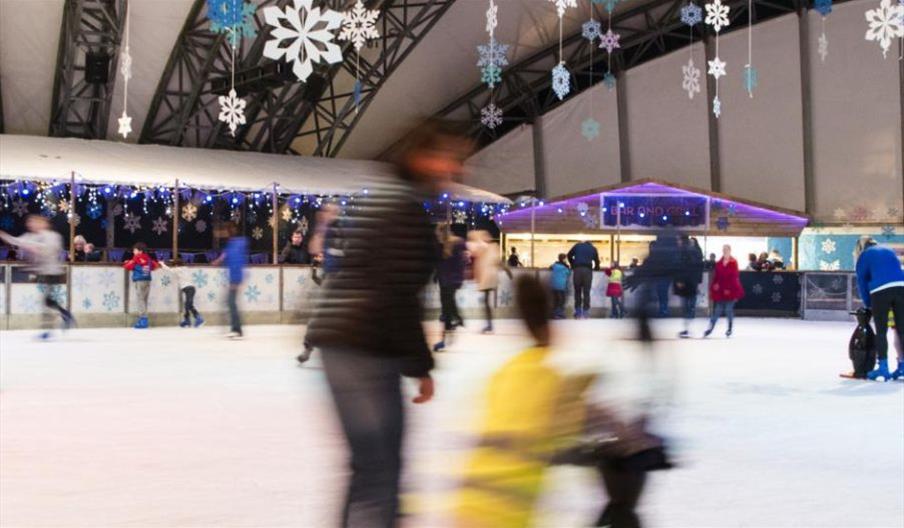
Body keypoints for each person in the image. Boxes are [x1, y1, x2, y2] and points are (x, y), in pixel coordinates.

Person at [305, 120, 462, 527]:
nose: (455, 170)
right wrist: (421, 367)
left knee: (371, 468)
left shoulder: (386, 196)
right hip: (363, 345)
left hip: (349, 342)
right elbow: (397, 296)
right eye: (446, 158)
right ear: (421, 157)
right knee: (380, 473)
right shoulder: (403, 209)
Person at [455, 275, 586, 527]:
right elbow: (578, 433)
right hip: (509, 514)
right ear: (550, 324)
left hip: (468, 505)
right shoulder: (553, 381)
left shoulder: (503, 373)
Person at [0, 215, 75, 338]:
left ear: (43, 223)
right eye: (30, 223)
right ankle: (63, 317)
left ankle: (58, 322)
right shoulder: (31, 237)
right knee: (47, 301)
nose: (31, 225)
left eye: (34, 223)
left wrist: (37, 248)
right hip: (43, 272)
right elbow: (16, 240)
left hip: (53, 272)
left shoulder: (53, 236)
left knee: (47, 301)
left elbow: (53, 250)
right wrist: (3, 234)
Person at [854, 237, 904, 381]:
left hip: (881, 290)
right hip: (901, 286)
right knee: (901, 329)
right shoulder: (888, 250)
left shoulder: (864, 256)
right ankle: (902, 366)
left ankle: (883, 368)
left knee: (881, 331)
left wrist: (868, 303)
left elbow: (862, 282)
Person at [433, 223, 466, 352]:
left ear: (441, 232)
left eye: (438, 232)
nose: (437, 235)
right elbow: (440, 263)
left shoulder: (456, 243)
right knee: (446, 308)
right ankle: (455, 322)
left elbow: (461, 261)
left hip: (449, 280)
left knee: (447, 307)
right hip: (446, 280)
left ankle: (456, 321)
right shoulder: (445, 245)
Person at [213, 223, 248, 339]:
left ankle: (237, 329)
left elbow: (237, 262)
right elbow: (224, 257)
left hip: (235, 278)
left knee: (231, 303)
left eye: (224, 231)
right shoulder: (231, 245)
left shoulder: (237, 244)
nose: (222, 234)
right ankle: (236, 328)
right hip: (234, 278)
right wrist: (218, 261)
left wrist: (235, 280)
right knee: (230, 302)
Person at [468, 230, 505, 334]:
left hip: (487, 278)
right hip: (489, 278)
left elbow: (475, 251)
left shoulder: (486, 248)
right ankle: (489, 324)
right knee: (486, 302)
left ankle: (489, 325)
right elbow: (498, 262)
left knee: (486, 302)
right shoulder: (492, 247)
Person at [704, 244, 744, 338]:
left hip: (731, 291)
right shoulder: (718, 263)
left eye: (726, 250)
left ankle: (729, 328)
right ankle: (710, 328)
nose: (725, 251)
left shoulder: (734, 262)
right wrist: (714, 285)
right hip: (721, 291)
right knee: (717, 311)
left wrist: (729, 288)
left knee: (728, 310)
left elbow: (734, 277)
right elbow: (716, 277)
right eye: (724, 250)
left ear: (730, 251)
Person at [123, 242, 160, 329]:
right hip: (147, 280)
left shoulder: (137, 257)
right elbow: (155, 266)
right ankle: (142, 319)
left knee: (140, 300)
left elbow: (128, 266)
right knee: (144, 300)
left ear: (140, 251)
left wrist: (126, 262)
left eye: (134, 250)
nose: (133, 252)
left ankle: (143, 320)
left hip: (139, 280)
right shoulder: (148, 258)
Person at [160, 259, 204, 328]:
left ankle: (198, 318)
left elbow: (168, 269)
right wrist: (172, 261)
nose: (174, 267)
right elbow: (176, 264)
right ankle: (187, 320)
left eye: (174, 266)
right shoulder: (184, 268)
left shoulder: (179, 269)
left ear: (177, 265)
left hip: (189, 288)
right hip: (190, 288)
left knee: (189, 304)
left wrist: (162, 263)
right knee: (187, 304)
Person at [675, 237, 704, 338]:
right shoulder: (690, 252)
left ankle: (688, 328)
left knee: (688, 305)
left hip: (689, 283)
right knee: (688, 305)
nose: (677, 242)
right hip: (691, 282)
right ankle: (687, 328)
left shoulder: (688, 253)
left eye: (679, 240)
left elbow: (686, 268)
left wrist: (681, 280)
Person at [568, 239, 600, 319]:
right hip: (588, 271)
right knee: (586, 292)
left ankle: (578, 312)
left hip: (577, 270)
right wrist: (596, 268)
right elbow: (597, 261)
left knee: (578, 291)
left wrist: (572, 264)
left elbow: (569, 255)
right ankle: (586, 312)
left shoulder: (577, 246)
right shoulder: (593, 248)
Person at [550, 253, 571, 319]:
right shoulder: (565, 267)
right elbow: (568, 273)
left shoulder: (554, 265)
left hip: (553, 285)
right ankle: (559, 313)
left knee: (555, 299)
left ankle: (554, 313)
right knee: (562, 300)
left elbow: (550, 268)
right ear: (564, 259)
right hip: (561, 286)